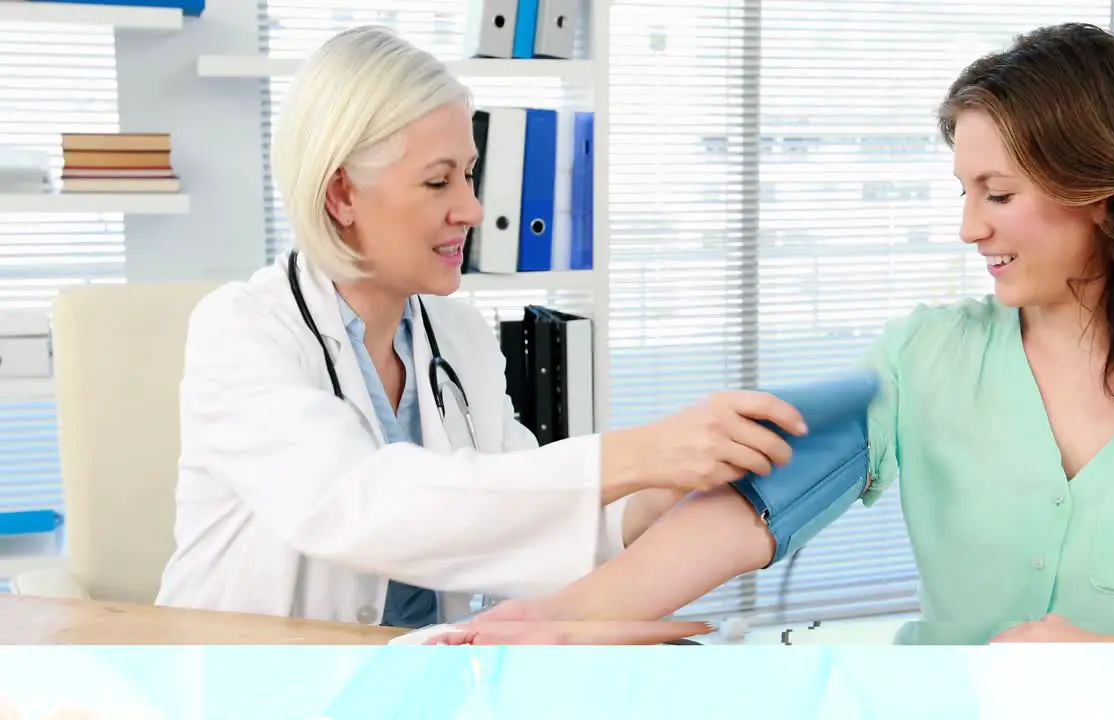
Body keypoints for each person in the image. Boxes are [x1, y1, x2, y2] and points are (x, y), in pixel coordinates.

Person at [450, 22, 1114, 645]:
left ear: (1098, 185)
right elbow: (752, 509)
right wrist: (560, 621)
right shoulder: (925, 358)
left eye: (996, 194)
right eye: (963, 191)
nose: (968, 229)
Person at [153, 26, 808, 629]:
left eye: (468, 173)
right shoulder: (240, 333)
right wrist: (639, 452)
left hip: (414, 682)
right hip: (243, 687)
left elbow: (523, 505)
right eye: (437, 182)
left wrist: (660, 491)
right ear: (342, 195)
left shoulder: (457, 336)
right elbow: (359, 507)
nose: (470, 208)